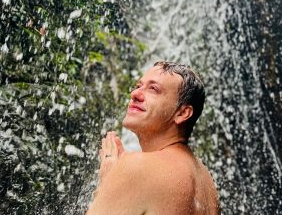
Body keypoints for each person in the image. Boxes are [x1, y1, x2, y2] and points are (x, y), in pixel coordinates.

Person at [86, 60, 220, 215]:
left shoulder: (137, 167)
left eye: (153, 89)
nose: (135, 94)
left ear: (182, 113)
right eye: (138, 86)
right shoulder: (207, 184)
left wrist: (107, 181)